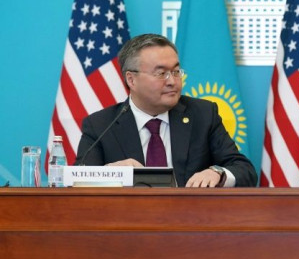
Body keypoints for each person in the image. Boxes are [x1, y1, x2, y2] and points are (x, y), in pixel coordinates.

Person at [76, 33, 258, 187]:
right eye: (161, 73)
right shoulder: (100, 125)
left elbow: (244, 170)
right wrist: (110, 174)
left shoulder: (203, 114)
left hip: (190, 223)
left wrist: (217, 172)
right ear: (131, 80)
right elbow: (78, 182)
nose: (172, 81)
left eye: (176, 71)